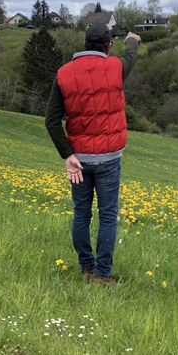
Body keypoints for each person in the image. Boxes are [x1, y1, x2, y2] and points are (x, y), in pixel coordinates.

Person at [45, 24, 141, 285]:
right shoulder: (116, 68)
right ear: (109, 46)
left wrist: (67, 155)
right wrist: (132, 40)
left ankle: (86, 270)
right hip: (110, 158)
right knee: (108, 215)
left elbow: (51, 121)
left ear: (84, 43)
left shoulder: (64, 73)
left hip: (79, 160)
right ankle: (103, 274)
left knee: (81, 214)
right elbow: (130, 56)